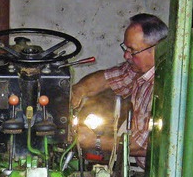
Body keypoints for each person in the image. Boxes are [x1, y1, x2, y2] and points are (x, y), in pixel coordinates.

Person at [71, 13, 168, 168]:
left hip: (161, 176)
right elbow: (106, 80)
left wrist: (94, 141)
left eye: (132, 50)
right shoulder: (138, 70)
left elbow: (142, 146)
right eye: (125, 47)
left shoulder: (165, 86)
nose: (126, 55)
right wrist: (78, 91)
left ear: (157, 49)